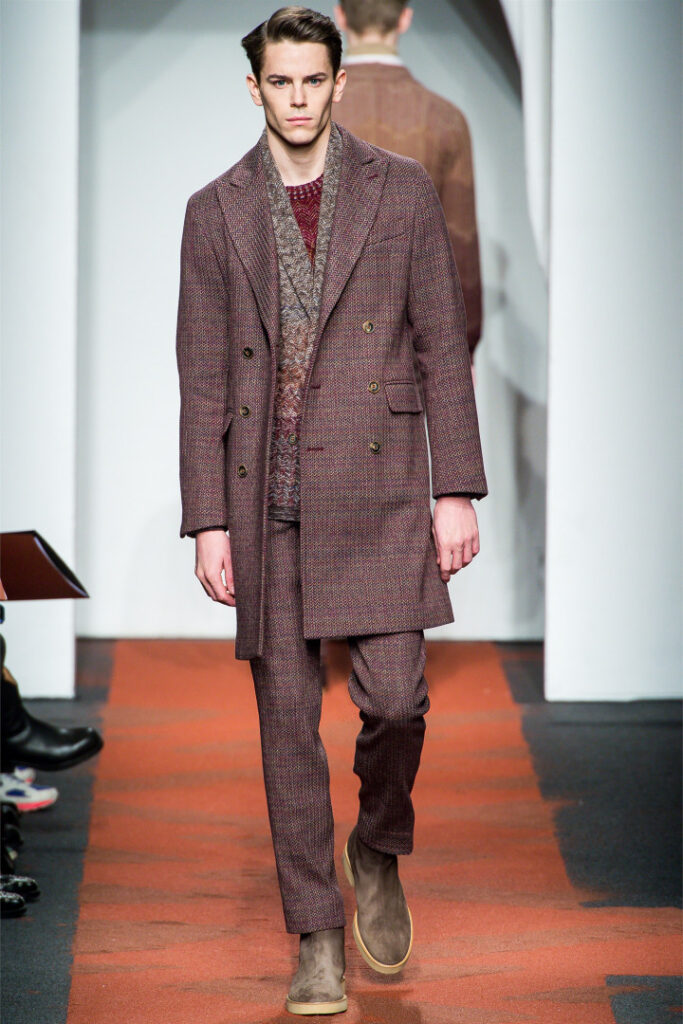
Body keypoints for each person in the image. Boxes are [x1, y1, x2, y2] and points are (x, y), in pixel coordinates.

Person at [175, 6, 487, 1015]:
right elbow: (202, 380)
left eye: (313, 81)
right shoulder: (213, 210)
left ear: (339, 84)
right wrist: (206, 519)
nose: (298, 99)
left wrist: (453, 488)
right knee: (286, 728)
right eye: (281, 82)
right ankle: (314, 936)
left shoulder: (400, 191)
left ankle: (377, 845)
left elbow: (441, 344)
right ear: (254, 88)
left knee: (396, 703)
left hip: (381, 488)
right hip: (264, 499)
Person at [334, 0, 483, 360]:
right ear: (404, 18)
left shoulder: (308, 118)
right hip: (412, 354)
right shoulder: (445, 119)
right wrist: (463, 348)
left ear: (340, 17)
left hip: (322, 358)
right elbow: (459, 248)